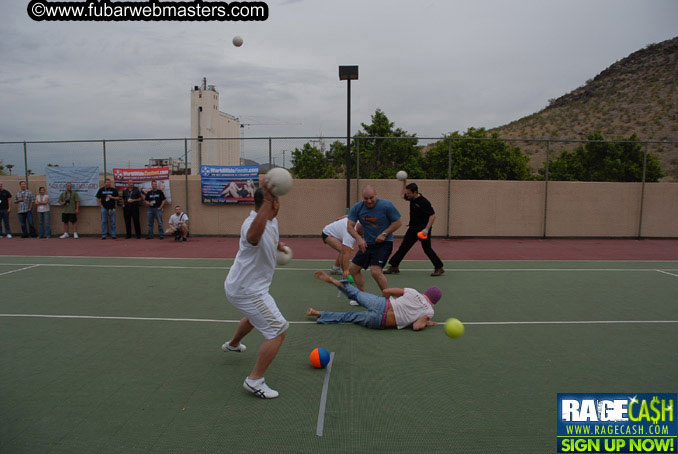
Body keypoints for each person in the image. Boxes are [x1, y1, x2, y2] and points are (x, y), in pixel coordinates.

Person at [222, 185, 289, 399]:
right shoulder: (252, 224)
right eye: (275, 201)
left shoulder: (271, 221)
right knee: (278, 330)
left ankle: (233, 345)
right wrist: (269, 203)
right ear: (272, 203)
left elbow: (268, 237)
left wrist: (279, 247)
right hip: (248, 291)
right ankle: (254, 380)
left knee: (253, 318)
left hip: (243, 286)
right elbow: (252, 237)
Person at [307, 271, 441, 331]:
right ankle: (319, 313)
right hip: (380, 321)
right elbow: (417, 327)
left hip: (382, 304)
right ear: (434, 302)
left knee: (357, 293)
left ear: (425, 293)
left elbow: (387, 291)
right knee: (349, 317)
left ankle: (338, 282)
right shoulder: (429, 311)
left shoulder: (413, 292)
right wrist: (425, 321)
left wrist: (384, 302)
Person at [347, 185, 402, 292]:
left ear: (376, 195)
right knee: (353, 269)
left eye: (371, 197)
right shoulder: (358, 207)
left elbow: (398, 222)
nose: (369, 201)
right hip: (367, 244)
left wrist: (384, 234)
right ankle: (363, 296)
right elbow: (349, 226)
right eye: (366, 198)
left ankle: (388, 299)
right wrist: (359, 239)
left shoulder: (386, 205)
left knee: (375, 271)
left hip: (384, 244)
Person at [384, 181, 445, 276]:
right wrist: (404, 182)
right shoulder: (411, 198)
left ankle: (439, 267)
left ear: (415, 192)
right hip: (413, 228)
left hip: (423, 230)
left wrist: (426, 229)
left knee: (427, 249)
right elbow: (402, 195)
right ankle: (394, 266)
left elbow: (432, 216)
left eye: (409, 193)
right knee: (404, 247)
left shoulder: (424, 202)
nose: (407, 195)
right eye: (407, 193)